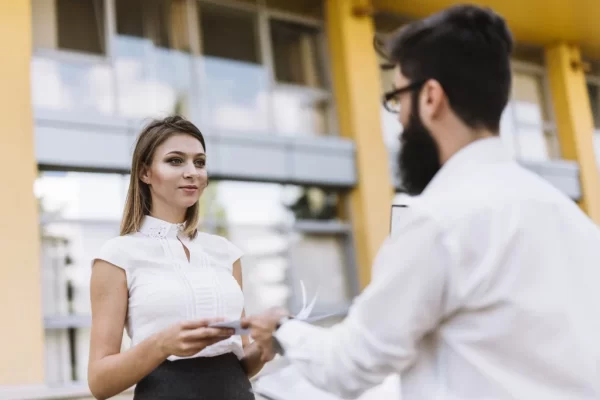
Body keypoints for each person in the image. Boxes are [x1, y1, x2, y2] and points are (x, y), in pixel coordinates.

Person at [242, 5, 600, 400]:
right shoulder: (569, 216)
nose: (397, 120)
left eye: (397, 98)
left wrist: (281, 329)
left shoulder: (439, 219)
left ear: (430, 97)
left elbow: (350, 366)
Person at [88, 116, 264, 400]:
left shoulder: (225, 253)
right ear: (145, 173)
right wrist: (161, 345)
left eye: (200, 162)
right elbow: (99, 382)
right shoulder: (117, 257)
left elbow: (242, 363)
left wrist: (267, 346)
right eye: (175, 161)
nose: (192, 172)